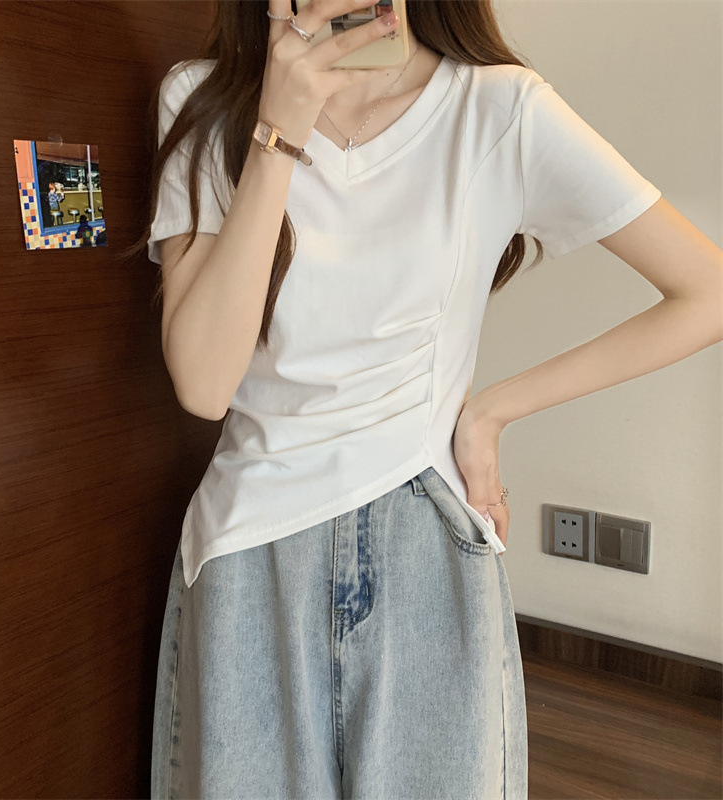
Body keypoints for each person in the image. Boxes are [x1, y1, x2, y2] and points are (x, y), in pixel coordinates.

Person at [143, 0, 723, 797]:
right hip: (249, 556)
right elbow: (205, 385)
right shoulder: (204, 100)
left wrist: (492, 411)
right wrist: (278, 130)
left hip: (424, 540)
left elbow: (706, 293)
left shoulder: (498, 108)